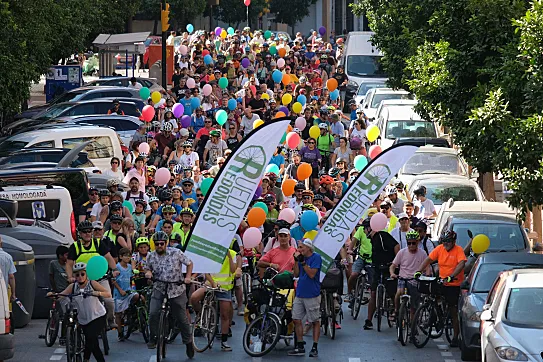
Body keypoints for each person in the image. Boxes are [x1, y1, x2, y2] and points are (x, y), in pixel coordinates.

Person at [145, 231, 194, 358]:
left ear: (166, 243)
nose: (159, 246)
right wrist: (148, 273)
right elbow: (147, 268)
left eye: (162, 243)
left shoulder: (176, 253)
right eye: (157, 244)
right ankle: (153, 337)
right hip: (159, 287)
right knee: (153, 313)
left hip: (176, 289)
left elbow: (189, 263)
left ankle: (188, 342)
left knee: (182, 319)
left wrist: (187, 277)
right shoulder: (151, 256)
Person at [49, 262, 111, 362]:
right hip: (83, 319)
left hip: (98, 316)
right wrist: (53, 295)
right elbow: (61, 295)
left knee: (91, 337)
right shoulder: (73, 287)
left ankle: (86, 359)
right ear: (74, 276)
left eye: (82, 274)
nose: (80, 277)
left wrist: (96, 293)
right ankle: (90, 359)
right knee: (92, 342)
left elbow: (108, 294)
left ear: (86, 274)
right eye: (77, 275)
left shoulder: (92, 283)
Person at [415, 230, 467, 347]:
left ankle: (455, 337)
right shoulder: (439, 249)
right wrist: (419, 270)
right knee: (432, 296)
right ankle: (435, 316)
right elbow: (429, 259)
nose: (445, 244)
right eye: (444, 241)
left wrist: (452, 276)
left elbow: (461, 264)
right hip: (442, 280)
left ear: (454, 241)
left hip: (453, 283)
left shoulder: (458, 250)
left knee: (453, 309)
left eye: (448, 242)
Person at [67, 221, 119, 329]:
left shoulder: (98, 243)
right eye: (84, 232)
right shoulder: (75, 246)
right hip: (83, 281)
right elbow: (69, 263)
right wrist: (70, 277)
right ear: (80, 234)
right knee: (75, 303)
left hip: (100, 279)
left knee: (109, 301)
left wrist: (114, 269)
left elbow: (108, 257)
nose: (87, 234)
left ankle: (110, 319)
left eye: (89, 231)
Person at [191, 243, 241, 351]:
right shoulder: (211, 252)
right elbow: (206, 271)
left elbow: (233, 270)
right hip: (211, 284)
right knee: (194, 298)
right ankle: (201, 316)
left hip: (225, 287)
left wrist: (228, 256)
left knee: (224, 314)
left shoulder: (232, 253)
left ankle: (224, 341)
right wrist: (213, 283)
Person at [362, 218, 400, 331]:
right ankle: (369, 321)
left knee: (392, 292)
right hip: (377, 268)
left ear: (369, 228)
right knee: (373, 293)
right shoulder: (372, 239)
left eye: (365, 229)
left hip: (389, 267)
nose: (364, 231)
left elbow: (396, 246)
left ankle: (397, 312)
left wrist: (396, 263)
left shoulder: (383, 235)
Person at [289, 238, 322, 357]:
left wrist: (303, 262)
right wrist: (296, 261)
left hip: (311, 294)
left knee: (314, 321)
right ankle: (300, 345)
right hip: (300, 293)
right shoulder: (300, 258)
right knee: (296, 319)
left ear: (308, 248)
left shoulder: (316, 257)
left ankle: (315, 346)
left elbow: (312, 274)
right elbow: (296, 274)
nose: (299, 250)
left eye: (301, 247)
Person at [389, 231, 428, 325]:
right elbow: (393, 265)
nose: (411, 245)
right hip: (403, 278)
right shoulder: (402, 252)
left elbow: (427, 267)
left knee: (414, 307)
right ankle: (396, 310)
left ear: (418, 242)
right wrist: (392, 273)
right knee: (399, 292)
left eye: (413, 243)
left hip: (415, 281)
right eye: (409, 243)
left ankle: (413, 327)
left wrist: (427, 277)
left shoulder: (422, 253)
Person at [112, 247, 139, 341]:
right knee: (118, 314)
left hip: (128, 291)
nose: (128, 258)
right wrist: (120, 290)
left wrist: (133, 288)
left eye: (129, 256)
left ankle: (132, 314)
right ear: (121, 257)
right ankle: (120, 333)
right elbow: (113, 281)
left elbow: (131, 279)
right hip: (119, 293)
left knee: (137, 296)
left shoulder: (129, 267)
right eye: (126, 256)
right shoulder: (117, 267)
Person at [0, 236, 16, 313]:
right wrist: (13, 294)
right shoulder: (7, 257)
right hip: (3, 293)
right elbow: (11, 277)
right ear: (1, 243)